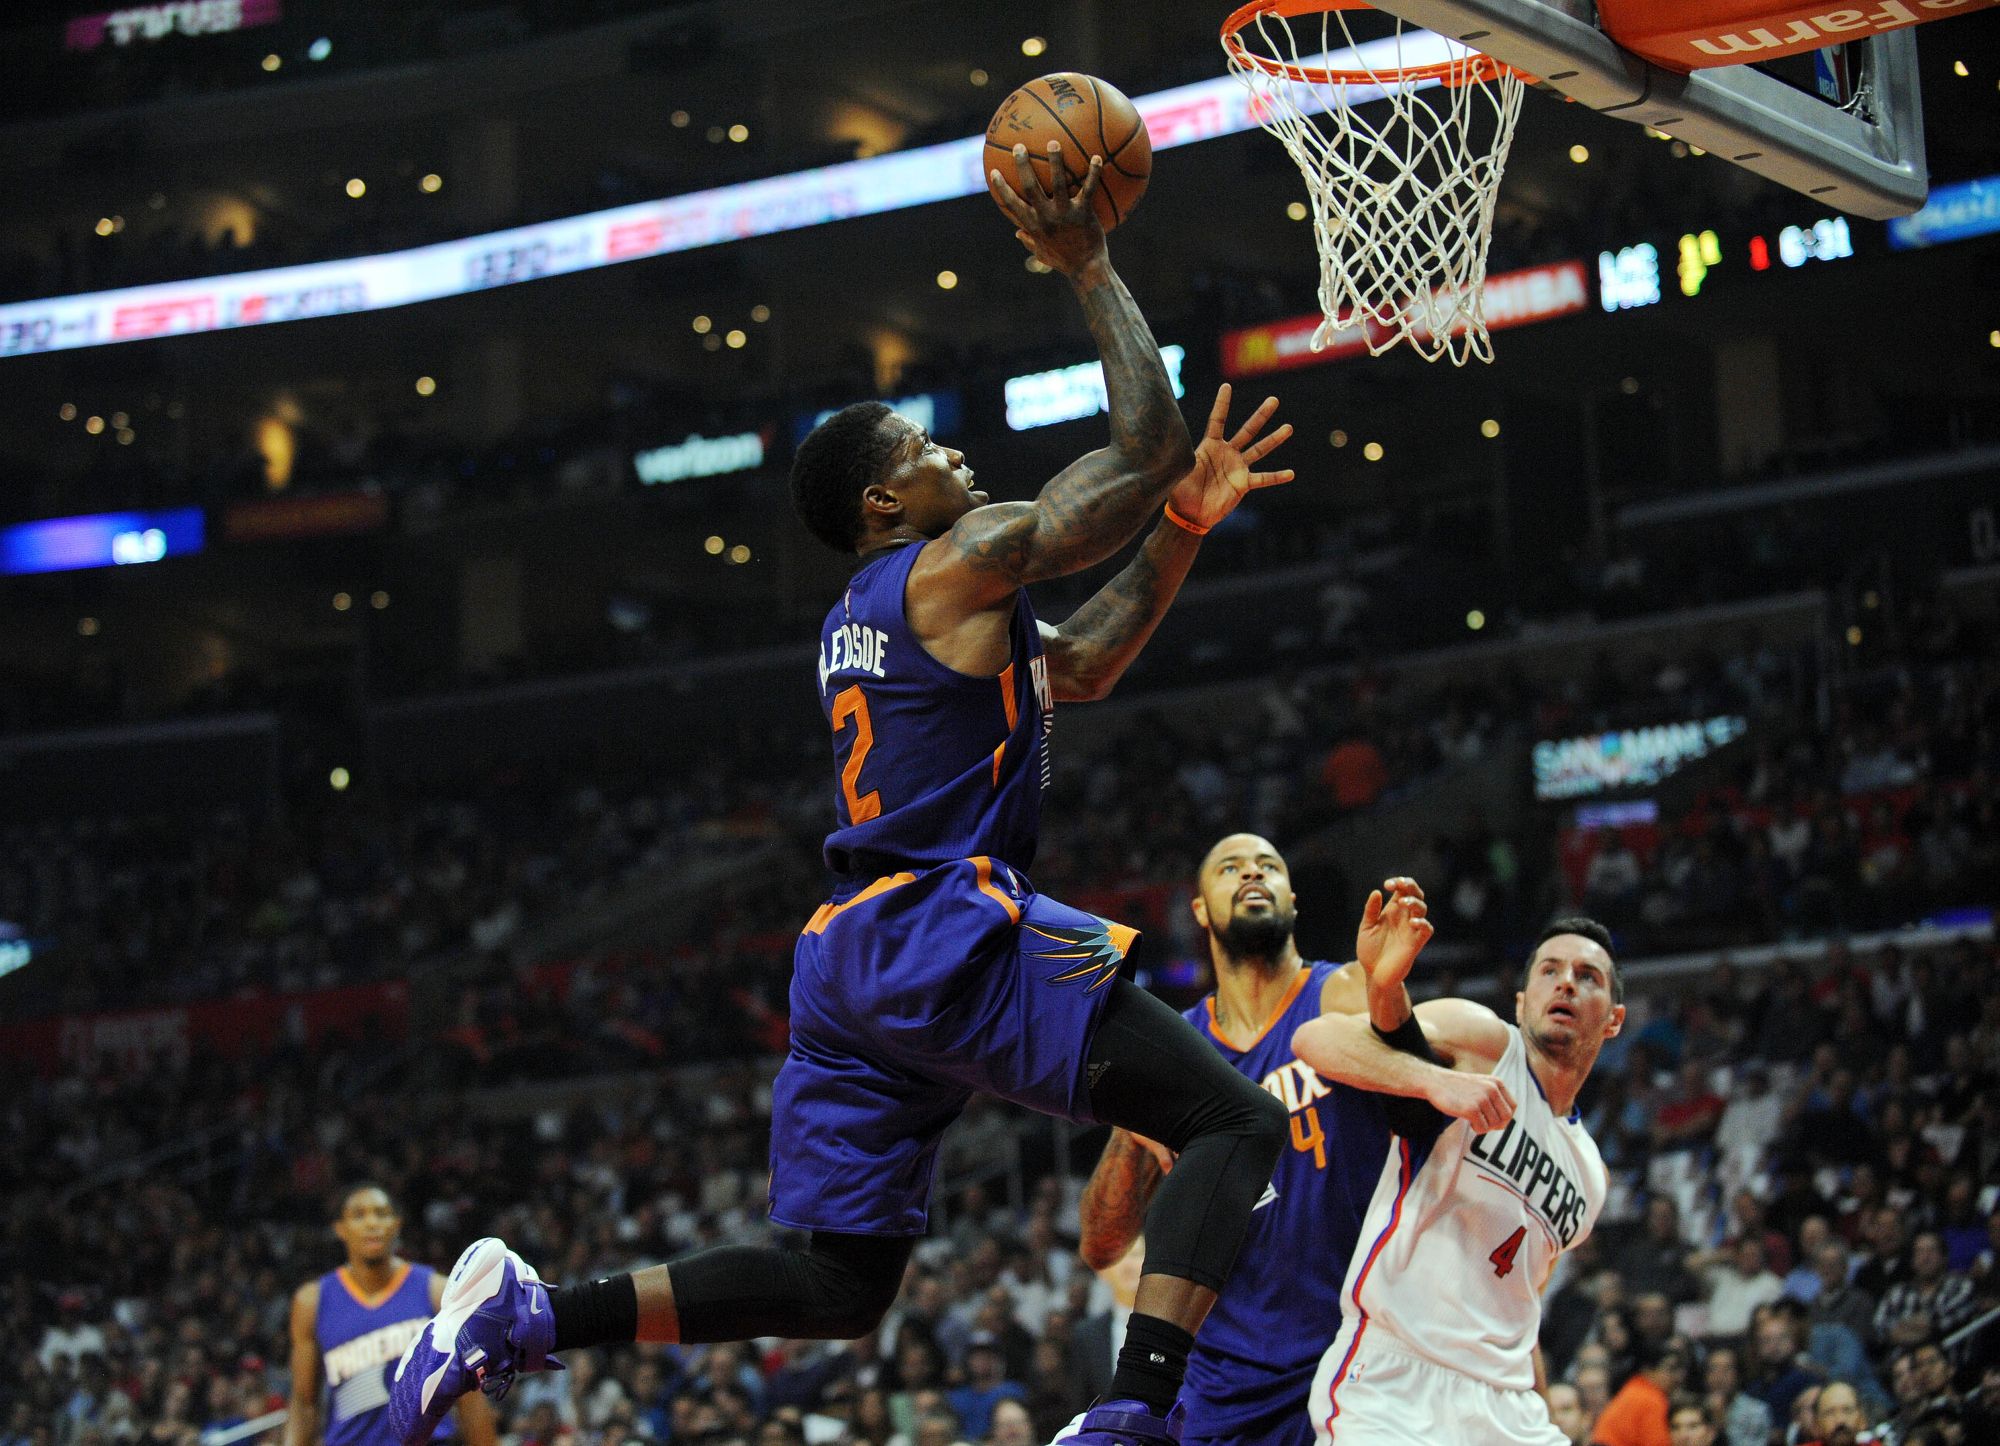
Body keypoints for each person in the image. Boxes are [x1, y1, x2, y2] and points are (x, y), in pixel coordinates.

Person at [391, 142, 1301, 1446]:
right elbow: (1146, 444)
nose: (955, 454)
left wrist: (1185, 528)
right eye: (927, 448)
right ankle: (1132, 1413)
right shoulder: (951, 561)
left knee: (836, 1286)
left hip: (849, 962)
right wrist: (1089, 264)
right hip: (940, 925)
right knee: (1232, 1120)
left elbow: (1085, 664)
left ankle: (532, 1313)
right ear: (885, 499)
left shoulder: (871, 618)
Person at [1076, 836, 1429, 1446]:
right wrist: (1132, 1127)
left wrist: (1389, 991)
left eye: (1268, 866)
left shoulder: (1342, 992)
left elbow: (1422, 1112)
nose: (1251, 874)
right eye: (1230, 868)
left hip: (1354, 1360)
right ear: (1199, 909)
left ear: (1291, 898)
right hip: (1218, 1381)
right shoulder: (1176, 1044)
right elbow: (1102, 1244)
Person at [1289, 917, 1625, 1446]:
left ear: (1613, 1020)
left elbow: (1521, 1302)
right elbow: (1315, 1038)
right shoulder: (1483, 1044)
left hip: (1508, 1406)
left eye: (1588, 976)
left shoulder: (1591, 1176)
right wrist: (1435, 1081)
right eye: (1550, 970)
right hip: (1396, 1379)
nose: (1566, 983)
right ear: (1521, 1002)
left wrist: (1542, 1411)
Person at [287, 1184, 495, 1446]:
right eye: (359, 1215)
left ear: (397, 1223)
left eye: (381, 1213)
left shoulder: (438, 1292)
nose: (372, 1223)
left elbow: (470, 1395)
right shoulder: (312, 1302)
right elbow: (304, 1404)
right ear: (340, 1228)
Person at [1590, 1337, 1690, 1446]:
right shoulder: (1650, 1400)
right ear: (1648, 1370)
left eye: (1680, 1369)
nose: (1678, 1377)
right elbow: (1658, 1443)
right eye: (1671, 1369)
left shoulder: (1635, 1389)